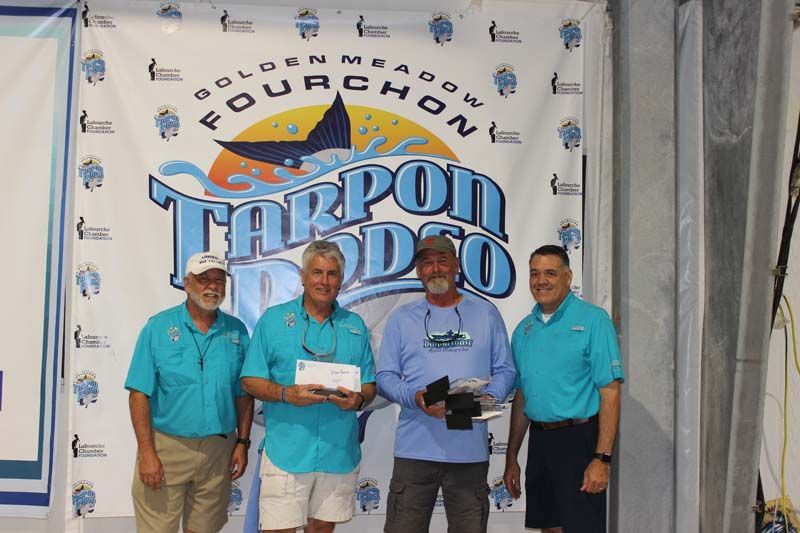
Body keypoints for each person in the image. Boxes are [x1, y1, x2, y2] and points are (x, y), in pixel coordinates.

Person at [376, 234, 516, 533]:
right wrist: (415, 397)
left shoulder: (485, 313)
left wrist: (486, 400)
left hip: (469, 452)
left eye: (442, 261)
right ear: (418, 271)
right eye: (427, 263)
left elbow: (506, 369)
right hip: (414, 451)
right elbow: (384, 377)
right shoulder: (401, 319)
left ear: (455, 266)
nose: (435, 269)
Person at [240, 240, 377, 533]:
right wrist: (286, 394)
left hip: (338, 453)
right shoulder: (273, 321)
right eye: (317, 272)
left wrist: (357, 400)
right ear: (303, 276)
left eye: (331, 274)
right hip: (287, 453)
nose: (324, 281)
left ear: (341, 280)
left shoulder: (355, 326)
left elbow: (369, 385)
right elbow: (249, 379)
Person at [124, 251, 253, 533]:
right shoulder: (157, 328)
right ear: (187, 283)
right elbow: (139, 393)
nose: (212, 286)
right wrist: (147, 451)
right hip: (167, 447)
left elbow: (243, 394)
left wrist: (243, 442)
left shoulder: (237, 331)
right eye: (203, 279)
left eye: (219, 280)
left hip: (218, 450)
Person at [503, 245, 623, 533]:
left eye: (550, 273)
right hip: (540, 442)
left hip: (580, 441)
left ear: (568, 278)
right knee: (550, 528)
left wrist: (602, 459)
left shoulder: (594, 321)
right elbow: (522, 396)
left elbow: (610, 392)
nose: (541, 280)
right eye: (535, 273)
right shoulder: (524, 330)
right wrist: (511, 458)